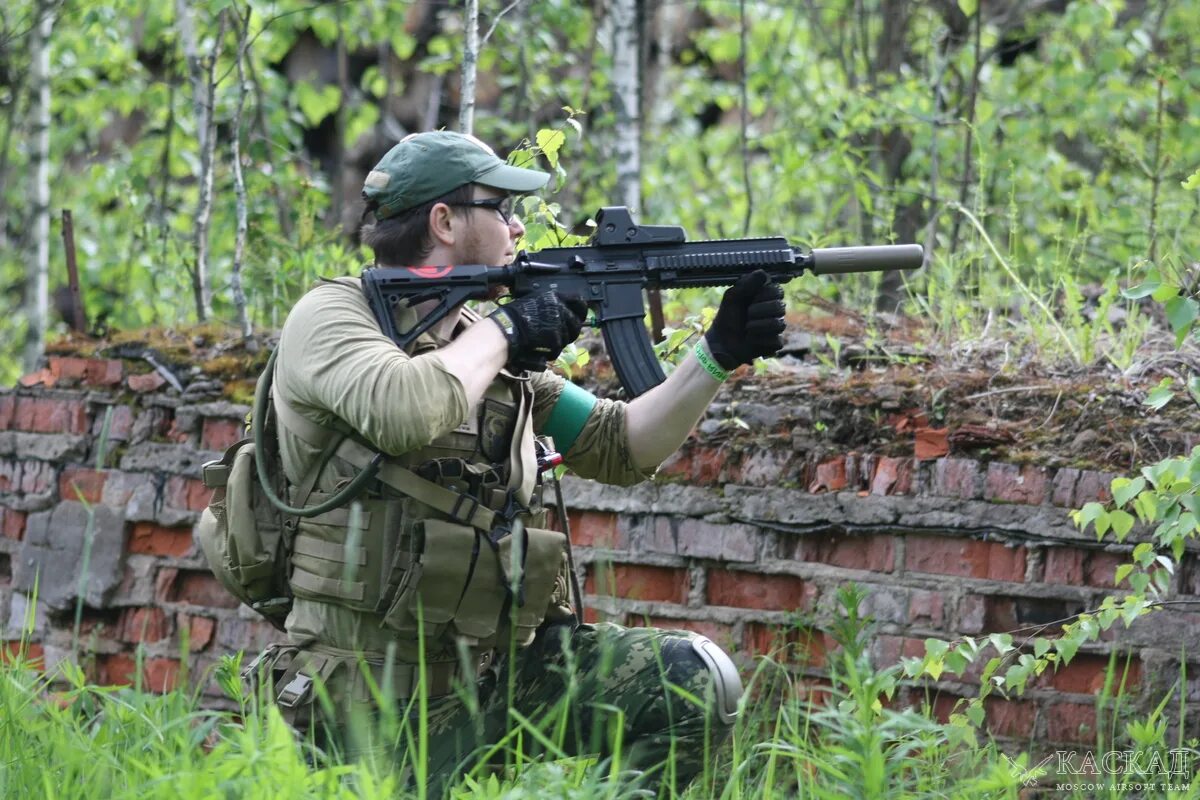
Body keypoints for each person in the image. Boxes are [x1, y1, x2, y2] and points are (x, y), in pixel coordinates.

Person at [246, 130, 786, 795]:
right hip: (363, 694)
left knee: (697, 681)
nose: (517, 224)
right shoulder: (332, 317)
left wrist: (714, 355)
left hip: (494, 678)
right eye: (499, 207)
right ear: (444, 222)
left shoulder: (476, 341)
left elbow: (623, 445)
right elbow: (402, 407)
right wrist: (506, 330)